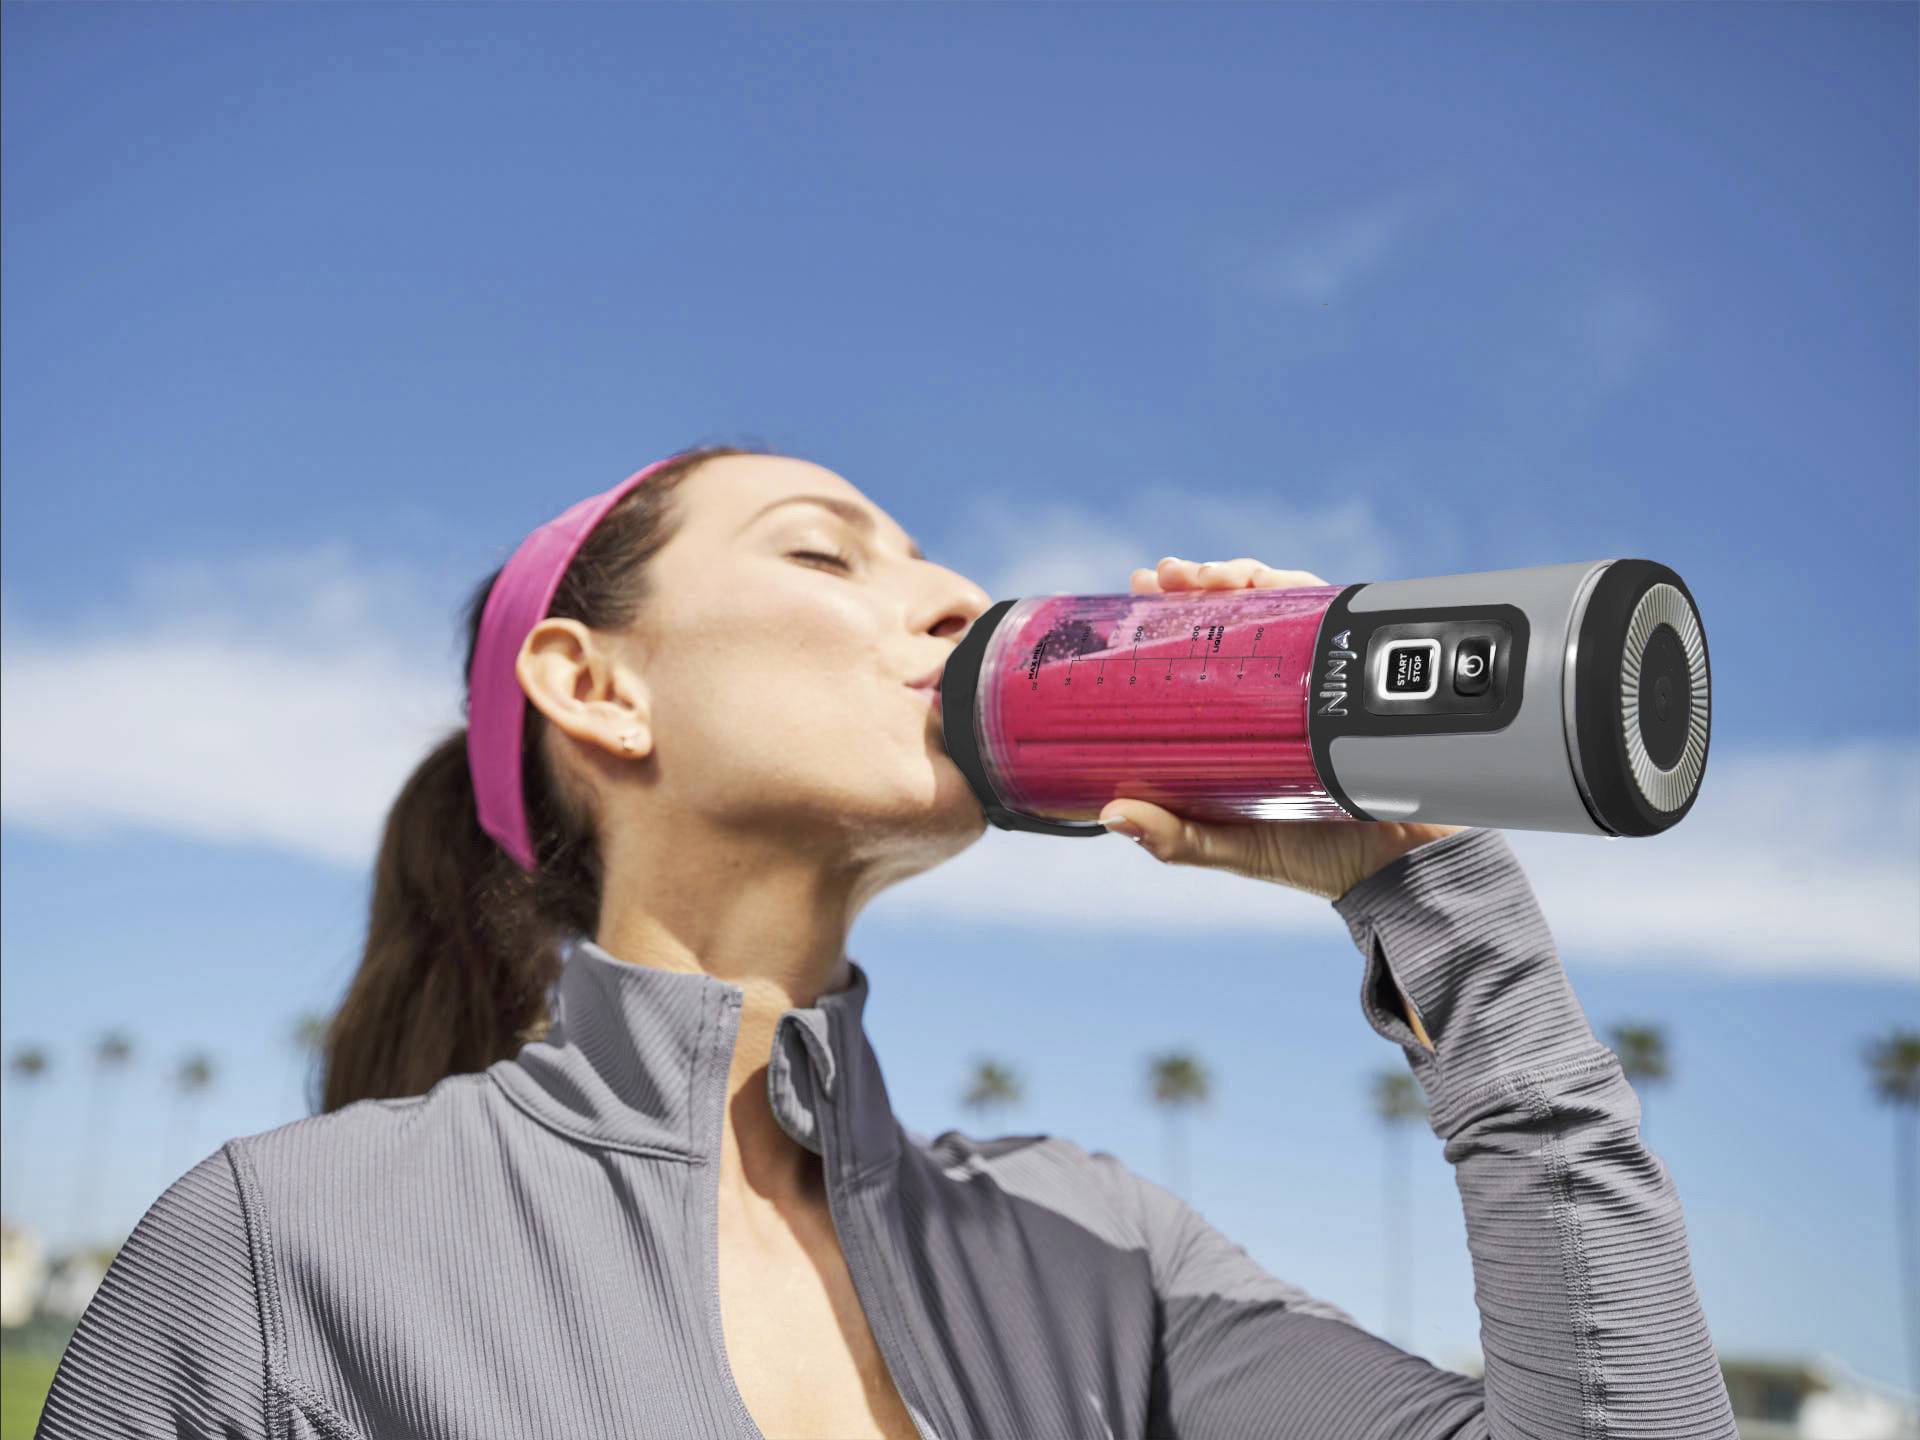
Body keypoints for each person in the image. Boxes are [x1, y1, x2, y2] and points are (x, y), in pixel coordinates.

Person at [36, 446, 1738, 1439]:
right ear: (594, 685)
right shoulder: (290, 1251)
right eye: (828, 554)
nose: (950, 601)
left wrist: (1430, 893)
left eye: (932, 560)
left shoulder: (1098, 1250)